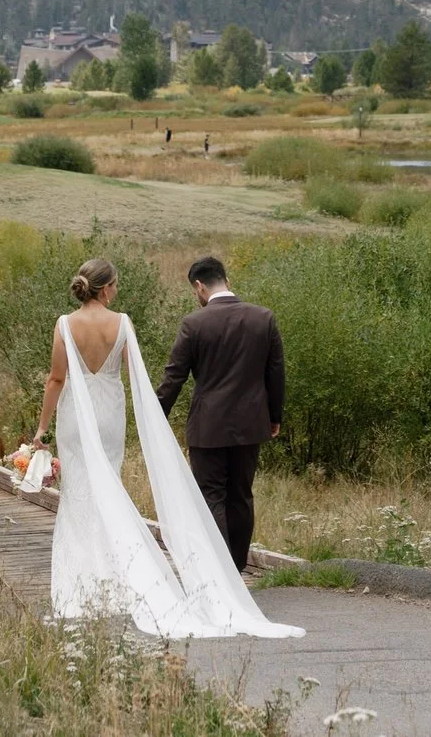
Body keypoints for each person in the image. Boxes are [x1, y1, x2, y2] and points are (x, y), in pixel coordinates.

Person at [32, 258, 298, 639]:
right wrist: (274, 416)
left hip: (85, 416)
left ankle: (91, 578)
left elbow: (58, 378)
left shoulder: (67, 324)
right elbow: (134, 373)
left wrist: (42, 428)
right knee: (232, 495)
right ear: (106, 289)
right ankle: (222, 574)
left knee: (83, 493)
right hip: (118, 413)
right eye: (116, 285)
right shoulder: (123, 323)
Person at [155, 255, 284, 573]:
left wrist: (155, 416)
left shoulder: (194, 324)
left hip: (208, 426)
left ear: (199, 286)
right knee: (241, 495)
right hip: (251, 425)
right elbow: (276, 373)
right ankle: (237, 569)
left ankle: (218, 571)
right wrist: (274, 417)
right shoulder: (263, 318)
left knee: (210, 495)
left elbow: (174, 377)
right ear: (226, 280)